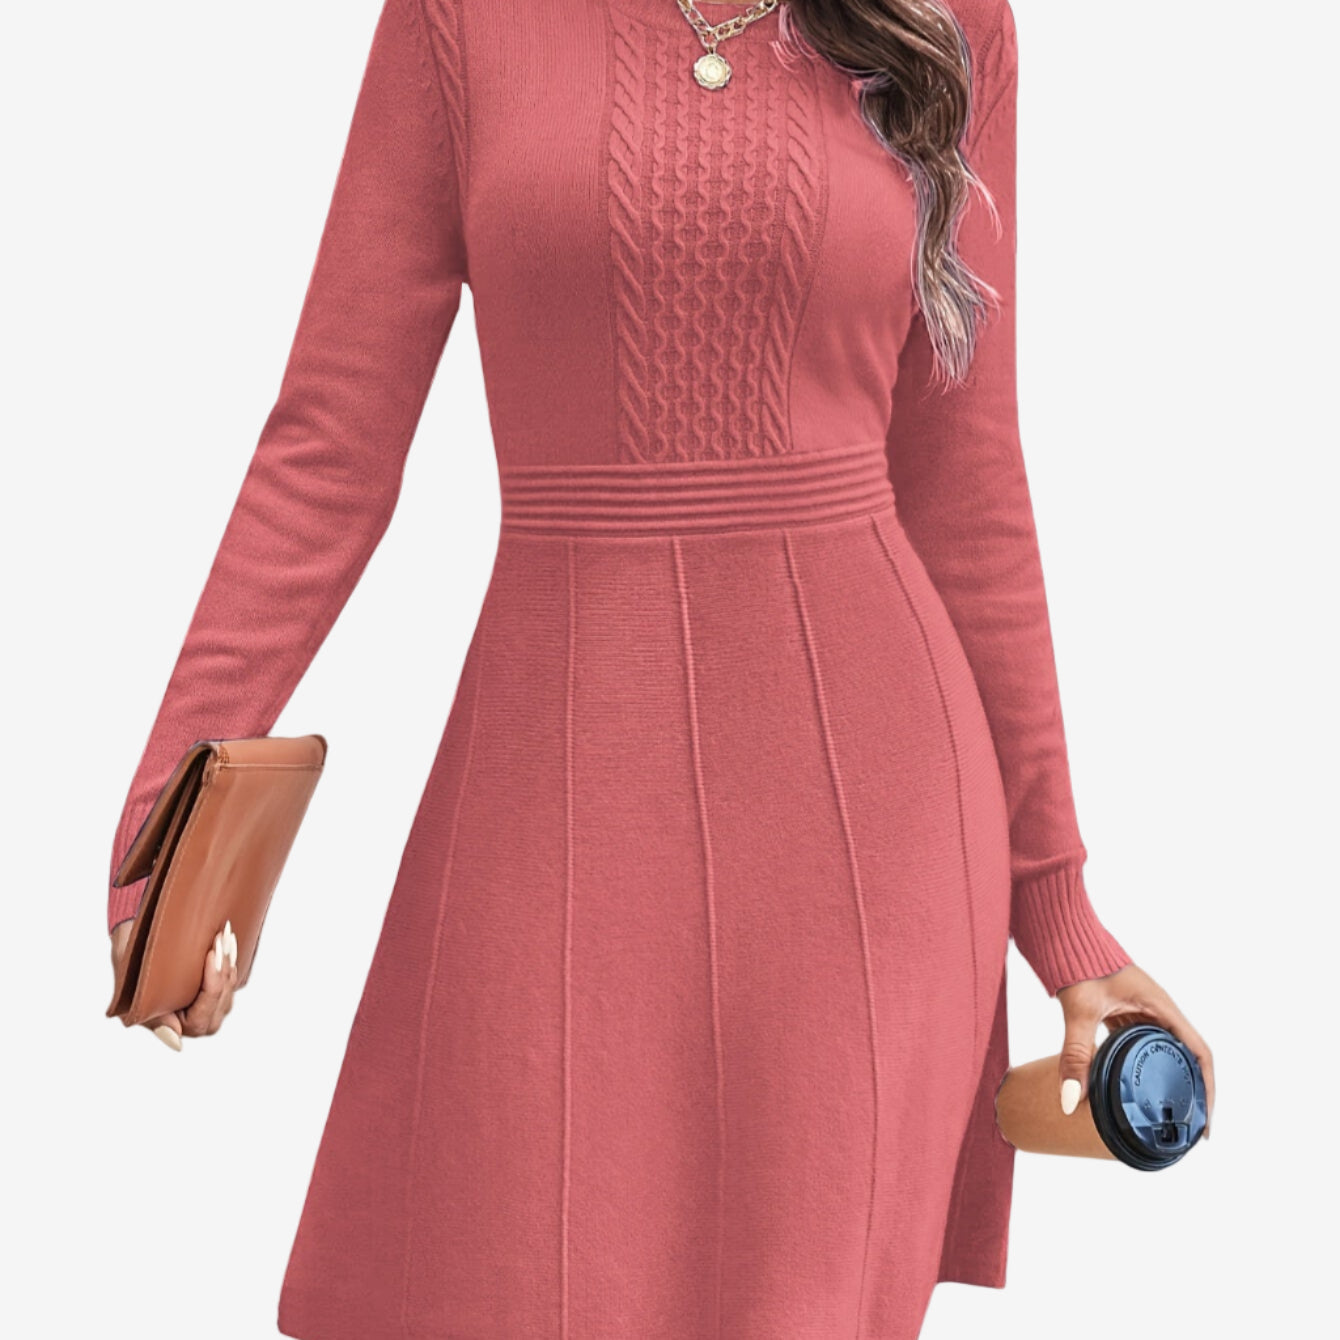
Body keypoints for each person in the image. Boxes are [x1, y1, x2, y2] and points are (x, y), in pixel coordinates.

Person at [105, 1, 1215, 1336]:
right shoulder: (458, 19)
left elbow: (964, 485)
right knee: (504, 1269)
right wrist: (163, 819)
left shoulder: (946, 21)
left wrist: (1060, 908)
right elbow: (329, 441)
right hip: (555, 776)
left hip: (869, 825)